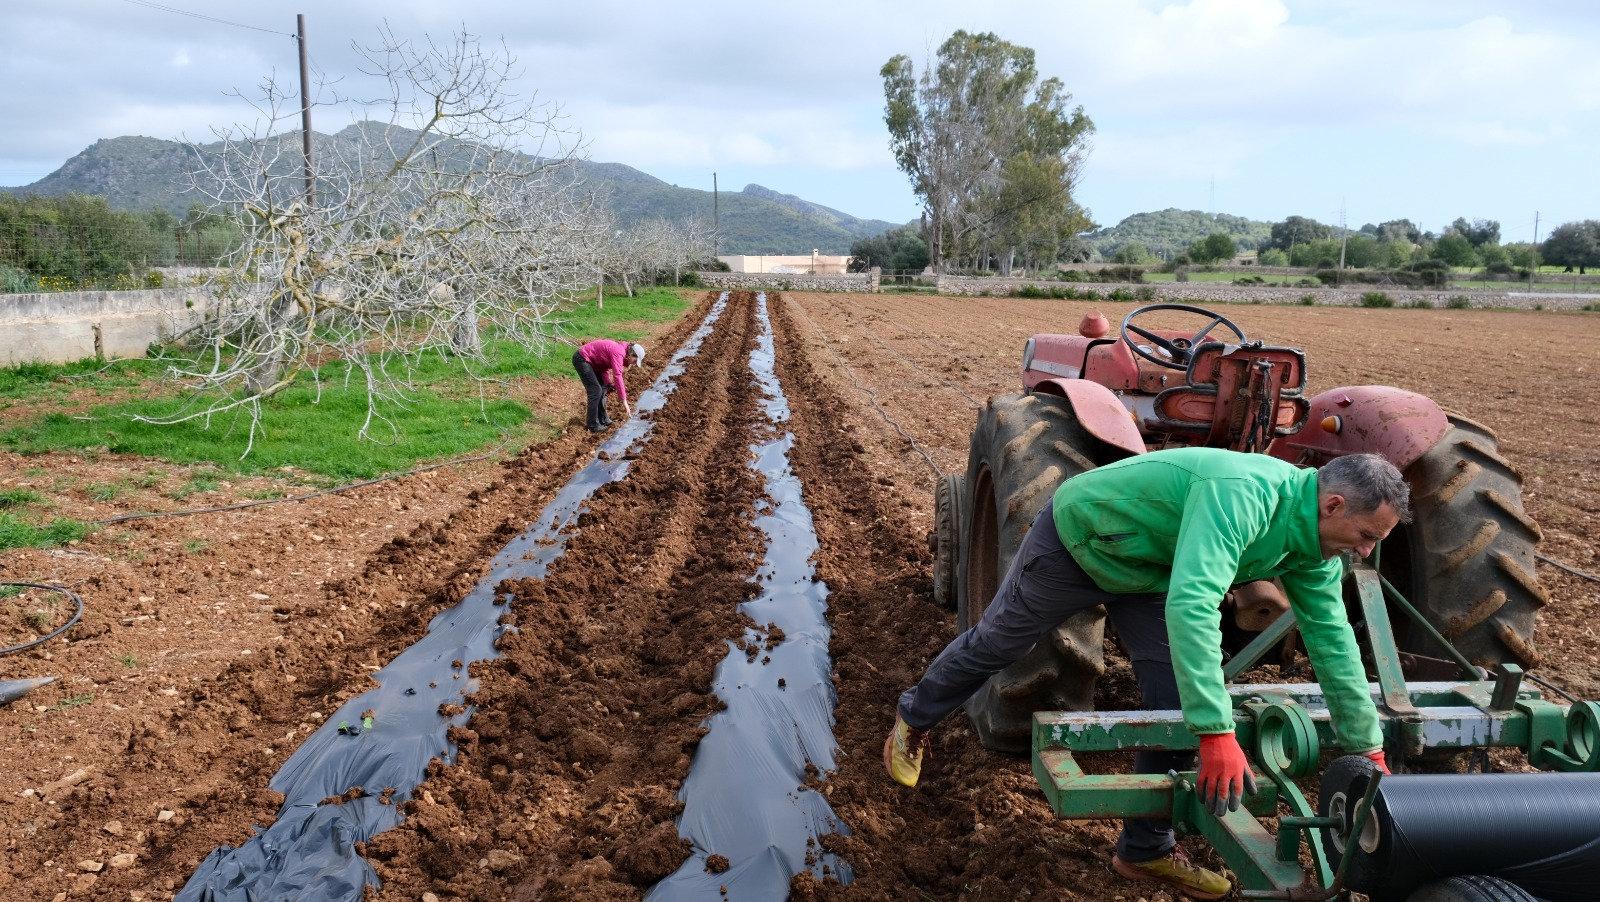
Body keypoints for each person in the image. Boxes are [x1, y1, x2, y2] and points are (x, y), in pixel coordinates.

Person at [885, 448, 1406, 901]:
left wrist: (1368, 749)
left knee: (1176, 700)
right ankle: (915, 718)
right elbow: (1194, 604)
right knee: (1003, 641)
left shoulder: (1314, 550)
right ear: (1333, 504)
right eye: (1364, 537)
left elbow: (1333, 642)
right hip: (1085, 540)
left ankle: (1143, 851)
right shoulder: (1243, 494)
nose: (1364, 552)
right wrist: (1217, 731)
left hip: (1153, 570)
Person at [572, 339, 644, 433]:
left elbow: (604, 366)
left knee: (603, 388)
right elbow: (618, 376)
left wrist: (608, 383)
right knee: (595, 391)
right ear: (631, 354)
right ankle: (592, 424)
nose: (633, 364)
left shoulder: (621, 352)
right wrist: (624, 401)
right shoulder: (619, 352)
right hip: (582, 359)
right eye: (635, 361)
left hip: (594, 364)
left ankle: (603, 419)